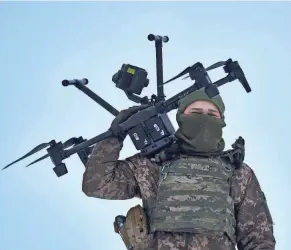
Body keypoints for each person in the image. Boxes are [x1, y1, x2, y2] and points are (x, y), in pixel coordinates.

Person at [82, 88, 276, 250]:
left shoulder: (238, 173)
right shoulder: (151, 165)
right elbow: (97, 184)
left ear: (222, 121)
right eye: (196, 112)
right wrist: (115, 135)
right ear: (181, 117)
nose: (203, 119)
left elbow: (258, 240)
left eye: (211, 114)